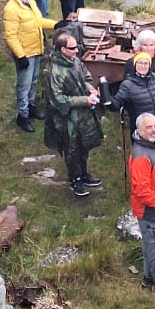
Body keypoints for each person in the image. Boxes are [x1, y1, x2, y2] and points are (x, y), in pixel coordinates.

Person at [44, 33, 104, 198]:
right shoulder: (53, 71)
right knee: (72, 149)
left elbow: (85, 76)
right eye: (73, 48)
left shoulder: (75, 61)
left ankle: (84, 174)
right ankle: (75, 180)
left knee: (85, 144)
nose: (77, 50)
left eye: (77, 47)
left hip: (83, 114)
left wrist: (90, 89)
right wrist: (85, 100)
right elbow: (58, 99)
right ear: (63, 49)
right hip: (66, 117)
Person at [2, 0, 56, 132]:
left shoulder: (30, 1)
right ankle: (22, 115)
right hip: (25, 54)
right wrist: (21, 56)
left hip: (36, 49)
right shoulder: (11, 9)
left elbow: (39, 22)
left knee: (33, 81)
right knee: (24, 85)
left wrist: (56, 24)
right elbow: (10, 36)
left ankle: (31, 107)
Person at [129, 112, 155, 291]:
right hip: (151, 211)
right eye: (149, 127)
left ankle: (148, 279)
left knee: (150, 246)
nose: (154, 130)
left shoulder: (148, 147)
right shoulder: (141, 156)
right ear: (140, 131)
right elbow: (141, 190)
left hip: (153, 209)